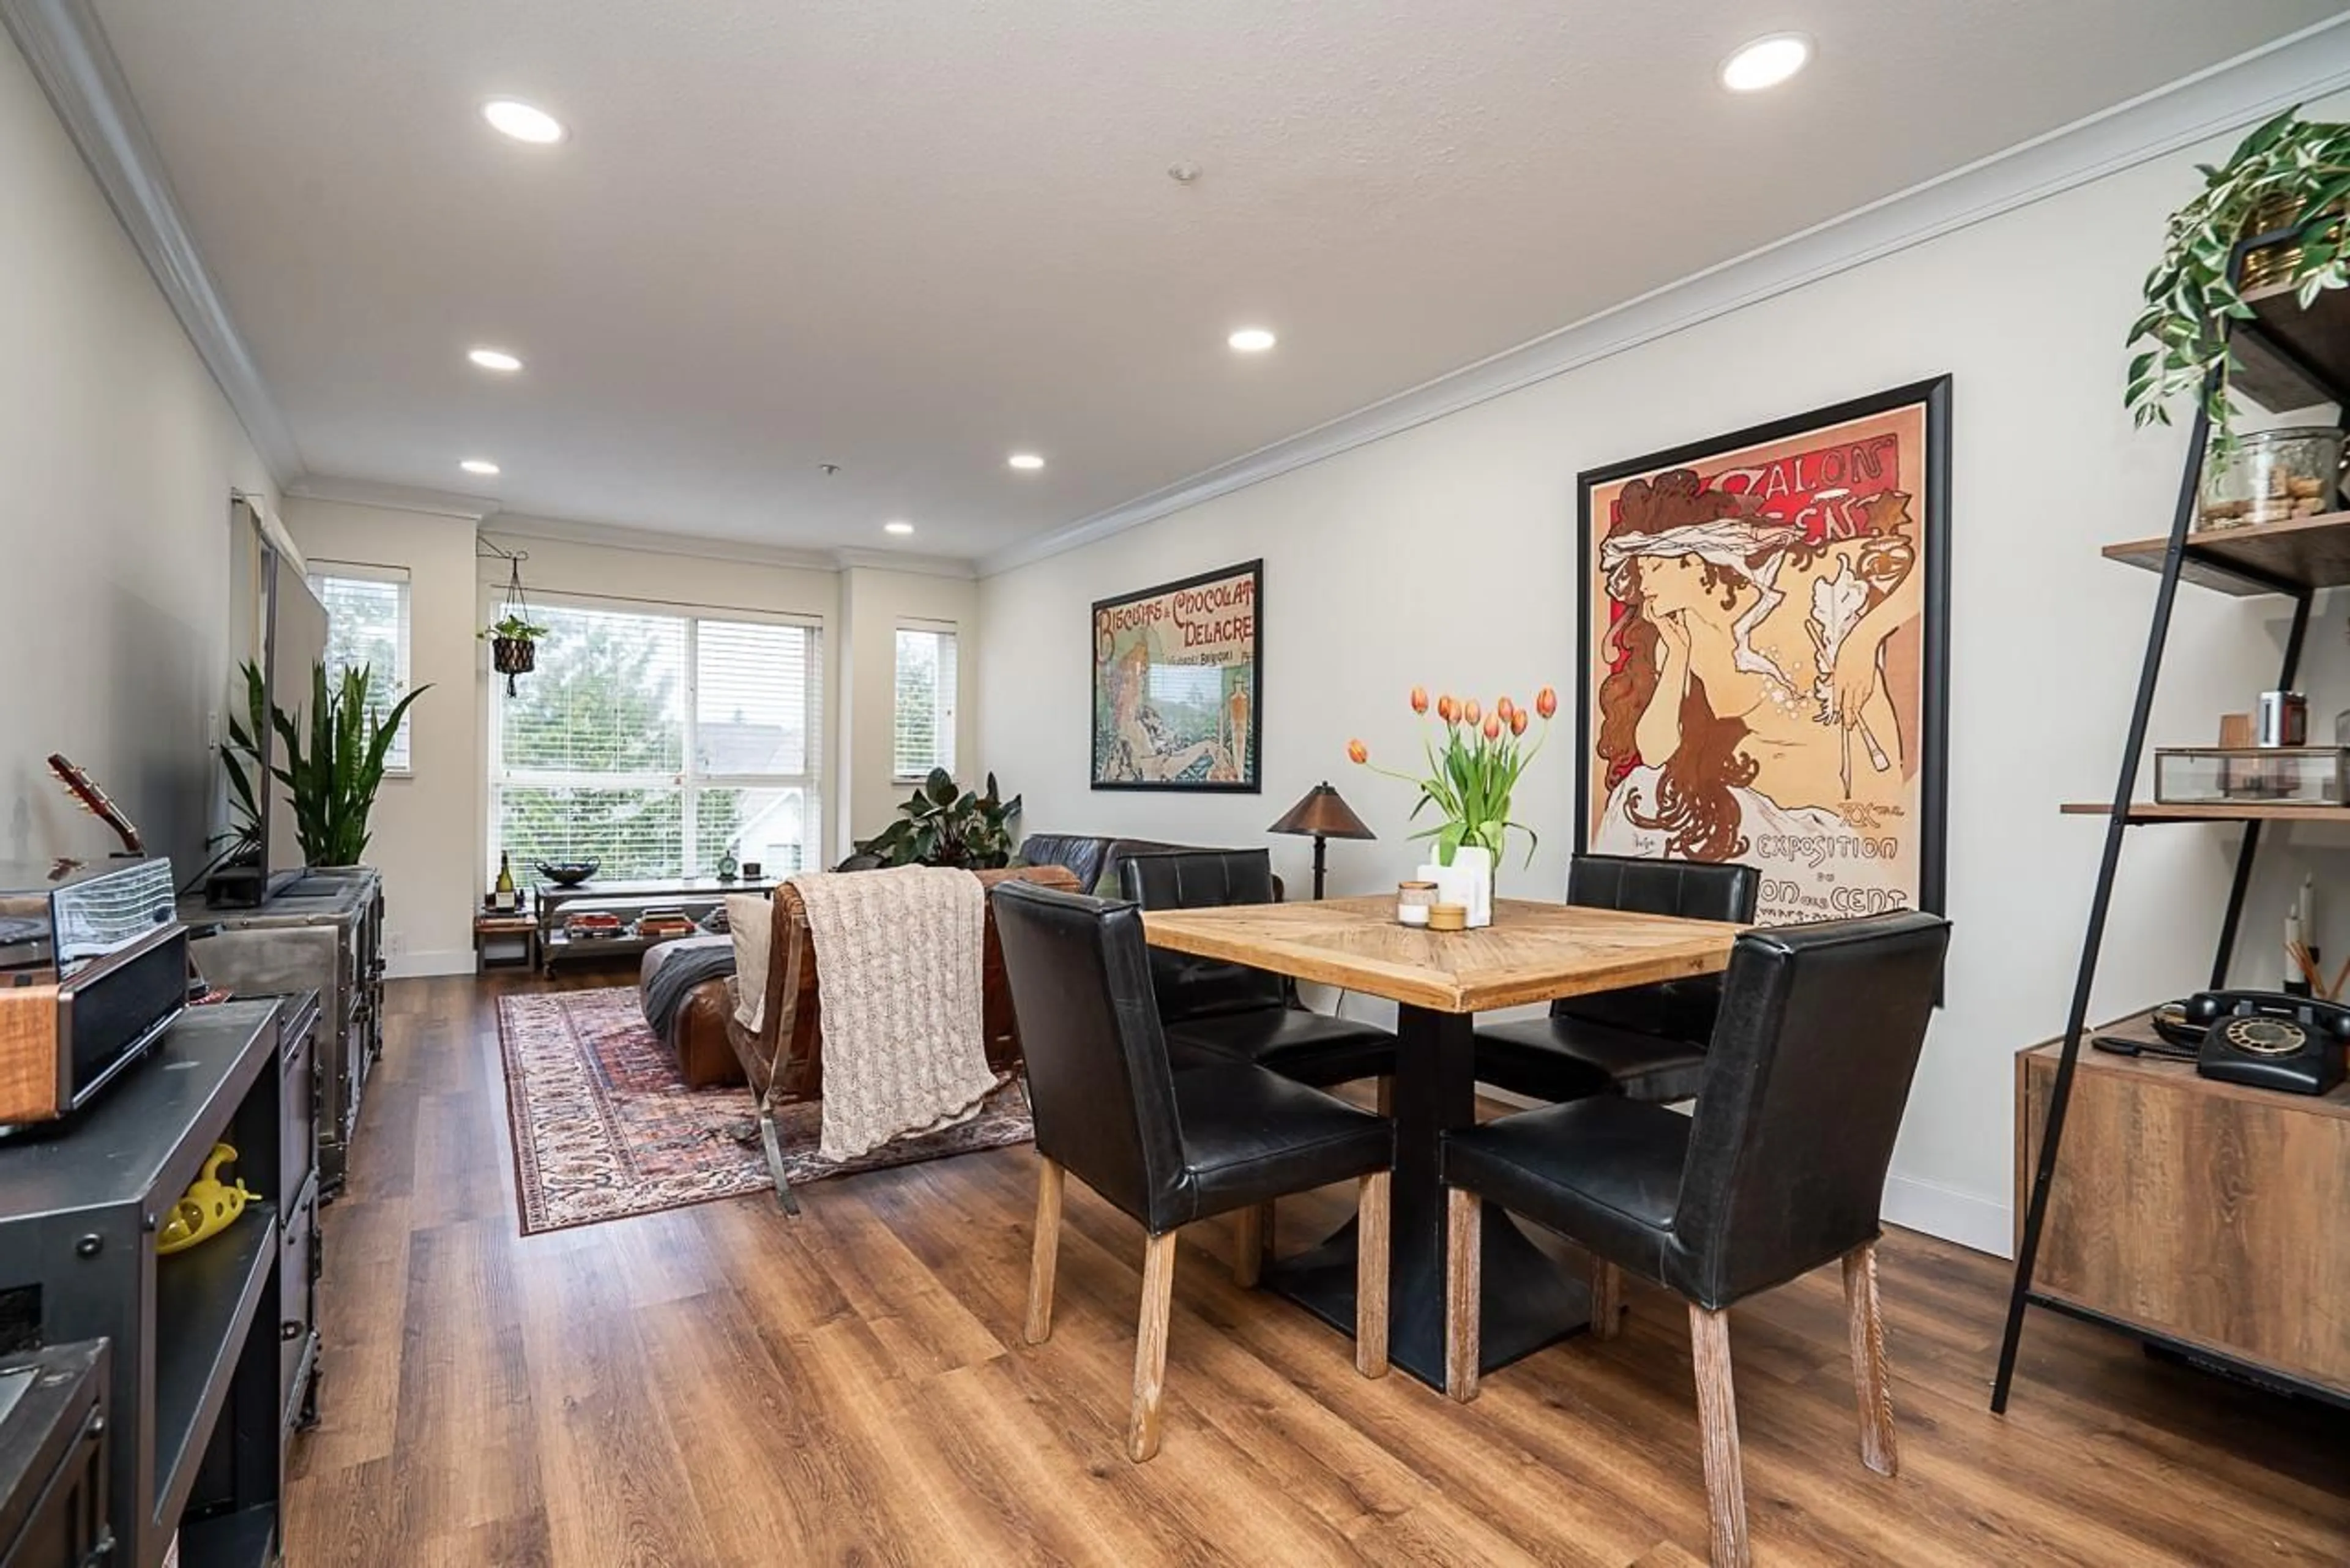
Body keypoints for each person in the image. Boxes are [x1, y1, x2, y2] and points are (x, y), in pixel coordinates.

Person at [1593, 468, 1920, 864]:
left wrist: (1864, 640)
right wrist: (1678, 655)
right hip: (1755, 828)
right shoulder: (1679, 638)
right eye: (1642, 571)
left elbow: (1924, 569)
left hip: (1833, 830)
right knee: (1634, 795)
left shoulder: (1796, 579)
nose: (1645, 584)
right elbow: (1655, 753)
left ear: (1696, 561)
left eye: (1656, 568)